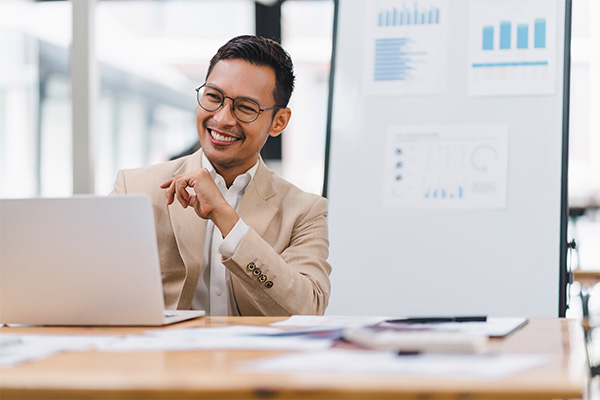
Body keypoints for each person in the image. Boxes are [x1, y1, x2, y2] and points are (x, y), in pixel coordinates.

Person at [111, 35, 331, 316]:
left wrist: (228, 221)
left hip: (255, 358)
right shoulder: (135, 188)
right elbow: (97, 291)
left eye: (246, 108)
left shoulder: (304, 211)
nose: (223, 118)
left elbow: (307, 309)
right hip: (165, 357)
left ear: (279, 122)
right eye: (214, 97)